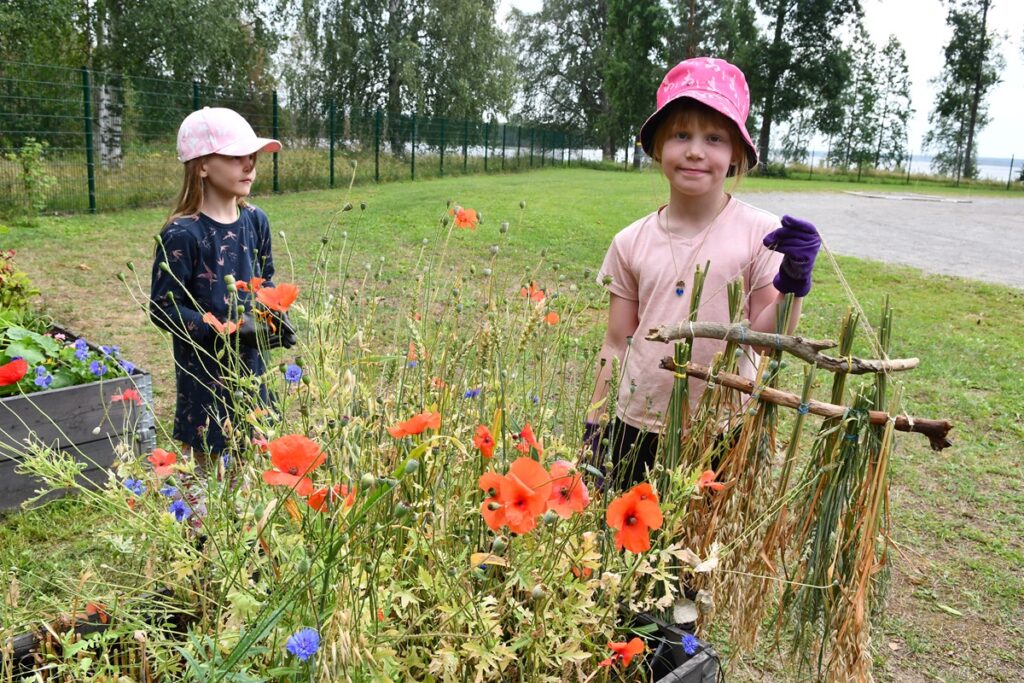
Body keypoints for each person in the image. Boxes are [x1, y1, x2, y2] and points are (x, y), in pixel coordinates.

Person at [587, 57, 822, 486]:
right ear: (657, 146)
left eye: (714, 138)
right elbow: (617, 341)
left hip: (722, 425)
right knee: (627, 544)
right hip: (637, 422)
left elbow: (770, 337)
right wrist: (596, 422)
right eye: (681, 134)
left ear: (735, 154)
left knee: (703, 544)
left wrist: (793, 283)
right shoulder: (629, 241)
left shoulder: (762, 235)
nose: (695, 150)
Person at [150, 107, 295, 461]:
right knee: (209, 479)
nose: (249, 165)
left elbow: (265, 281)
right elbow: (163, 308)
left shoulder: (255, 220)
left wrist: (272, 316)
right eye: (234, 156)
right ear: (201, 165)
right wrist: (222, 331)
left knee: (255, 467)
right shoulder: (183, 233)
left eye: (252, 156)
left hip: (251, 371)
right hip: (204, 379)